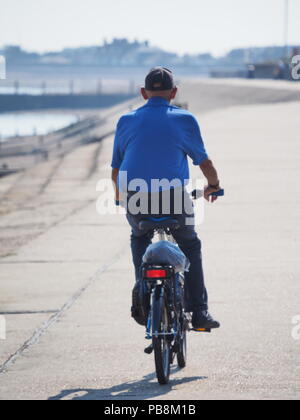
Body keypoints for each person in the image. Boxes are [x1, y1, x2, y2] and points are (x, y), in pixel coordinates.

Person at [111, 67, 222, 329]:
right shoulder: (185, 119)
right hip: (173, 197)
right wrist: (214, 186)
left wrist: (119, 199)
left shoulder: (126, 121)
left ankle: (142, 294)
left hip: (134, 195)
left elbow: (115, 169)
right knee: (190, 245)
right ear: (173, 93)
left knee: (139, 237)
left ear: (143, 93)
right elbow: (204, 163)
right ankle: (199, 313)